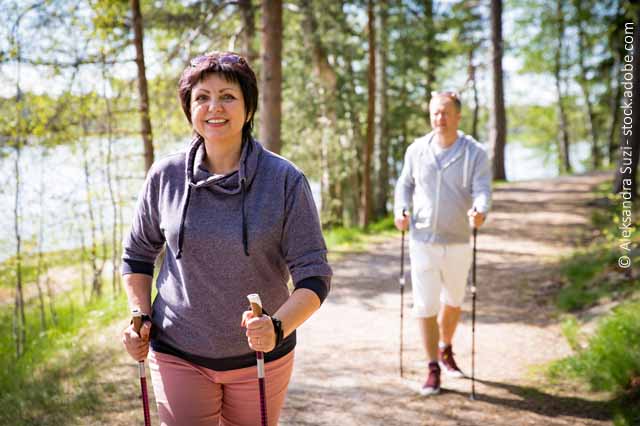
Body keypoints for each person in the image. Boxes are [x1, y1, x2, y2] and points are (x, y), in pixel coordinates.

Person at [121, 51, 332, 425]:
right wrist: (140, 314)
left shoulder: (284, 180)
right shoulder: (164, 176)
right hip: (177, 351)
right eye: (202, 97)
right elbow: (137, 256)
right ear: (190, 108)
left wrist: (277, 327)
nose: (214, 107)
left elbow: (314, 276)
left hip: (261, 358)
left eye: (228, 96)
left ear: (248, 109)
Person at [394, 91, 491, 396]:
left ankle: (445, 346)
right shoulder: (417, 150)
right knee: (425, 305)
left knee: (453, 301)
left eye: (446, 113)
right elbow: (404, 184)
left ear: (458, 116)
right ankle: (432, 367)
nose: (440, 118)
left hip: (459, 239)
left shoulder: (474, 152)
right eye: (436, 113)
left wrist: (480, 209)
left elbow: (482, 189)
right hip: (422, 238)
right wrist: (401, 210)